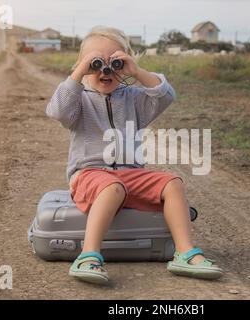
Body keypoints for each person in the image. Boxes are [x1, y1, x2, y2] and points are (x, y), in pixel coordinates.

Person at [46, 26, 223, 285]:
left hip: (131, 174)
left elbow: (166, 95)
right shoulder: (79, 100)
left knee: (172, 183)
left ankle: (184, 253)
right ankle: (88, 255)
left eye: (114, 62)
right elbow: (57, 111)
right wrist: (79, 72)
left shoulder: (135, 100)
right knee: (112, 185)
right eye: (96, 62)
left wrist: (137, 72)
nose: (105, 69)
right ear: (84, 66)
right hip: (89, 175)